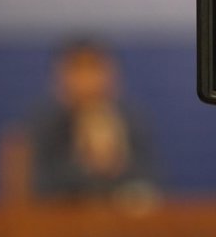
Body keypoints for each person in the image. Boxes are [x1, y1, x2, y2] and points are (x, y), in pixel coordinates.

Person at [29, 38, 158, 201]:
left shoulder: (132, 121)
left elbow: (152, 182)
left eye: (94, 69)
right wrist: (87, 165)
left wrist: (114, 164)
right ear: (59, 78)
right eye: (77, 69)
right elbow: (38, 187)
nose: (86, 80)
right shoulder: (44, 125)